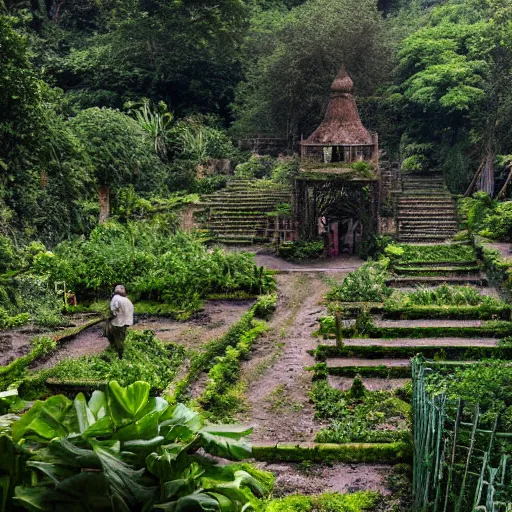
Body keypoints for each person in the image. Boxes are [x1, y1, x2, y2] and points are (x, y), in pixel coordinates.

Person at [104, 284, 134, 357]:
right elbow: (131, 310)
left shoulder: (115, 298)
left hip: (117, 322)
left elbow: (113, 311)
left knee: (116, 338)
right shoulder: (127, 300)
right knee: (121, 338)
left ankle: (120, 355)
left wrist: (110, 317)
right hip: (125, 322)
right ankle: (119, 353)